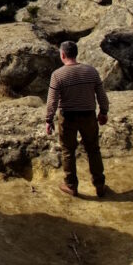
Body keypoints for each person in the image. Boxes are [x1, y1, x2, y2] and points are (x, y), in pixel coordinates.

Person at [45, 40, 109, 198]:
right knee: (93, 149)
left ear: (62, 54)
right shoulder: (91, 71)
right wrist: (103, 111)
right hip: (89, 115)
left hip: (68, 116)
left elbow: (52, 101)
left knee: (68, 151)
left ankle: (71, 185)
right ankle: (99, 184)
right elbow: (101, 94)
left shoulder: (58, 75)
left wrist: (48, 120)